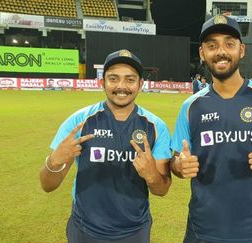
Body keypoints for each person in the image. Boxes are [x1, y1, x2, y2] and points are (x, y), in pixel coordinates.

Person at [170, 15, 252, 243]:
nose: (220, 51)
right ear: (202, 53)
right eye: (212, 45)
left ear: (241, 50)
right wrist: (179, 165)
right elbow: (176, 162)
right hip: (202, 229)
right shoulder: (191, 107)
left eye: (229, 44)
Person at [39, 49, 172, 243]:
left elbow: (161, 190)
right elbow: (47, 185)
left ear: (140, 84)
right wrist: (54, 161)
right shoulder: (80, 121)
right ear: (102, 82)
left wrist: (152, 175)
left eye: (130, 79)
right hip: (85, 229)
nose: (121, 86)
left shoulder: (156, 127)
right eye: (113, 78)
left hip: (135, 231)